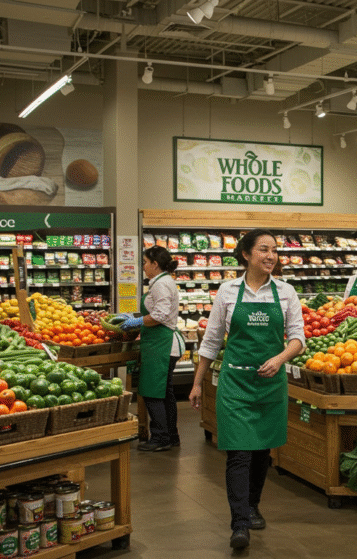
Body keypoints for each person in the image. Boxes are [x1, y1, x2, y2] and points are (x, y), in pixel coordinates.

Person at [189, 229, 305, 550]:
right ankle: (239, 523)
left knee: (261, 452)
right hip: (235, 384)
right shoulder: (227, 292)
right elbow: (211, 341)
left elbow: (298, 339)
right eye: (263, 249)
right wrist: (197, 383)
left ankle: (253, 504)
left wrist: (280, 358)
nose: (271, 256)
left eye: (274, 250)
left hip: (270, 385)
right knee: (238, 452)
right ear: (246, 254)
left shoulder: (286, 292)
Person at [122, 246, 185, 452]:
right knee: (165, 393)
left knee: (153, 392)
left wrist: (136, 321)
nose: (144, 267)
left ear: (154, 264)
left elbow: (160, 315)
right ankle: (171, 435)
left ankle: (159, 438)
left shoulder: (160, 284)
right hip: (162, 344)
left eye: (145, 262)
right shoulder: (162, 282)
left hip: (162, 345)